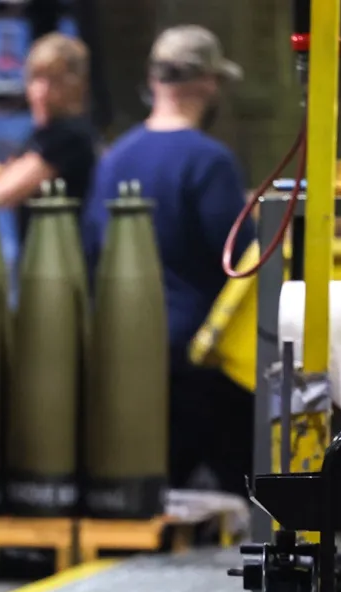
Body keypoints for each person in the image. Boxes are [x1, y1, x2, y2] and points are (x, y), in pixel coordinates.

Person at [83, 25, 255, 497]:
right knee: (251, 490)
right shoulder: (209, 161)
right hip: (201, 358)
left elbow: (93, 250)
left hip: (131, 353)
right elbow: (241, 258)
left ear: (154, 81)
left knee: (150, 494)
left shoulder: (115, 159)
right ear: (206, 83)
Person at [0, 32, 97, 218]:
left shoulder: (68, 137)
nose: (41, 91)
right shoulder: (48, 133)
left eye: (54, 80)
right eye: (36, 77)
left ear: (76, 85)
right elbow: (8, 175)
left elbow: (0, 193)